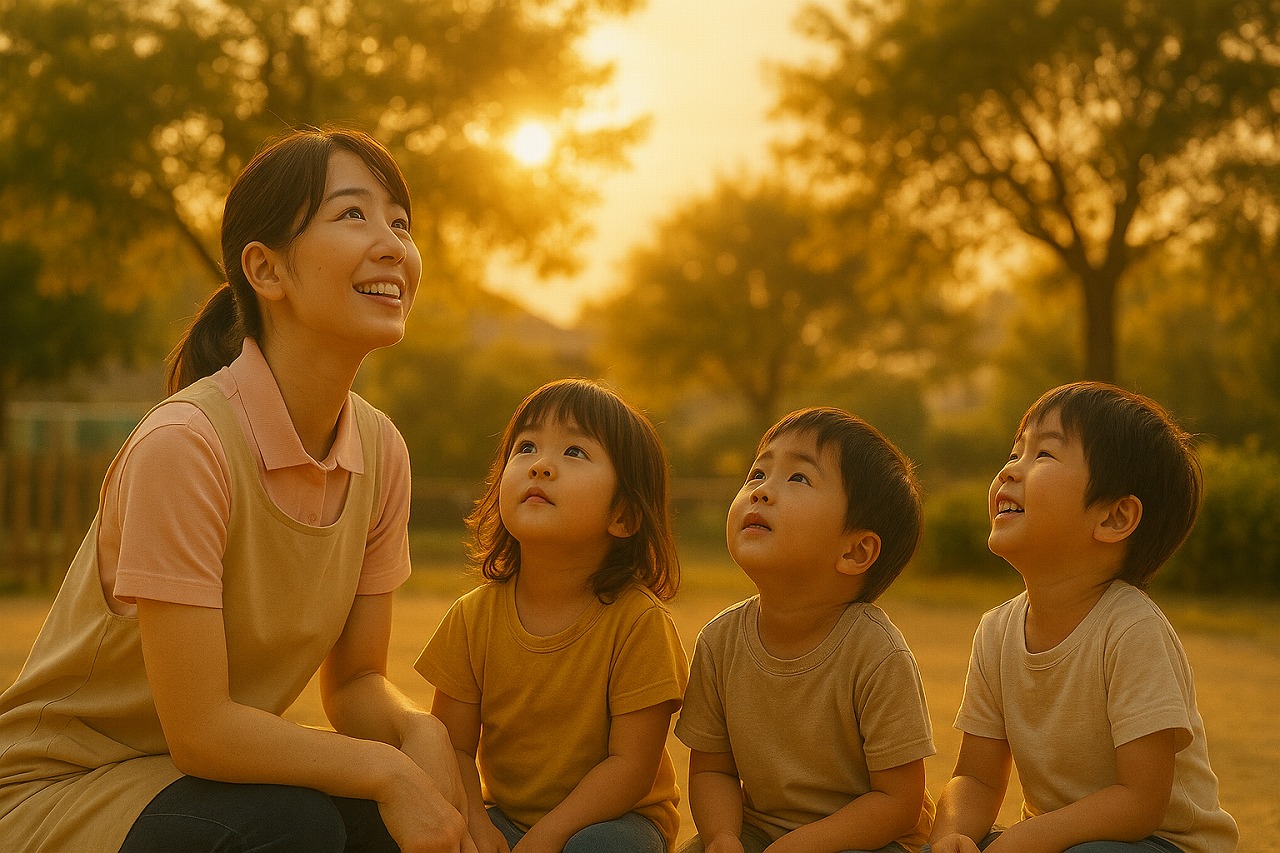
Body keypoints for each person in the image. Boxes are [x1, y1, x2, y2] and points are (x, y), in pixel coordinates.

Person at [0, 127, 475, 853]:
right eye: (353, 214)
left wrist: (419, 733)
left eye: (400, 223)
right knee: (297, 825)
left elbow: (354, 685)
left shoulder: (381, 450)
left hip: (196, 783)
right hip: (62, 790)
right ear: (265, 268)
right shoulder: (186, 445)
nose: (393, 246)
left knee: (382, 824)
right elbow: (202, 730)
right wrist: (385, 770)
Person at [923, 382, 1239, 853]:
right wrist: (952, 837)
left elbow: (1140, 802)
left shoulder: (1131, 630)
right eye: (1014, 453)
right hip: (1058, 839)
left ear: (1114, 518)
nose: (1009, 470)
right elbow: (976, 777)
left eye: (1043, 454)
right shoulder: (996, 632)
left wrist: (1028, 837)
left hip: (1159, 843)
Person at [416, 378, 688, 853]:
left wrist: (548, 837)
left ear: (623, 515)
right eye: (526, 447)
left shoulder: (639, 623)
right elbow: (453, 747)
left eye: (574, 452)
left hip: (615, 820)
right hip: (505, 817)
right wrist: (476, 825)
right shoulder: (472, 617)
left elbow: (630, 768)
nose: (540, 465)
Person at [676, 406, 936, 853]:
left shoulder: (875, 653)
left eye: (798, 478)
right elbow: (712, 769)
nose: (761, 492)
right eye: (757, 474)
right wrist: (722, 835)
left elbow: (898, 802)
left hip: (868, 840)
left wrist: (801, 846)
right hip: (759, 832)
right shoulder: (719, 642)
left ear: (855, 552)